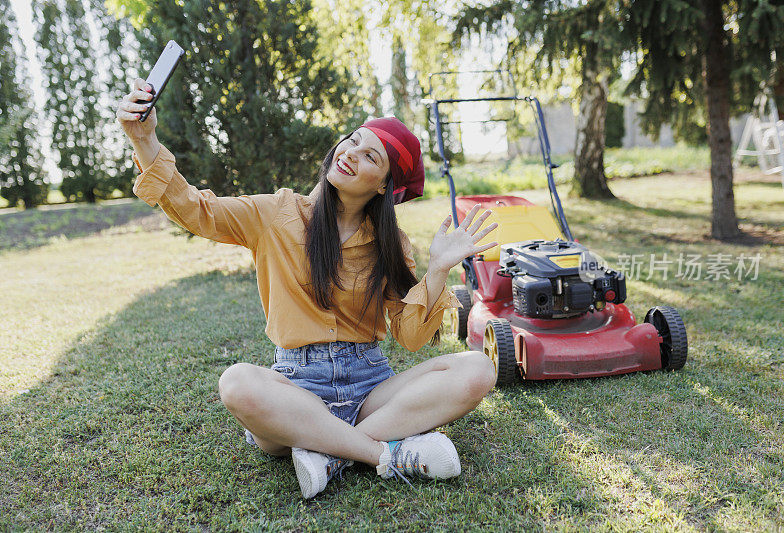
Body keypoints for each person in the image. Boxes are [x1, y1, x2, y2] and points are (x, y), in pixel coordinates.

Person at [116, 77, 500, 499]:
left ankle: (328, 453)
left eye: (370, 155)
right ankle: (383, 454)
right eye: (352, 141)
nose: (351, 154)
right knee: (237, 383)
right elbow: (197, 210)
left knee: (477, 369)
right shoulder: (277, 213)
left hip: (371, 387)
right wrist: (144, 141)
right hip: (297, 389)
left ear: (382, 187)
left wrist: (439, 270)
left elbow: (410, 339)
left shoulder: (392, 245)